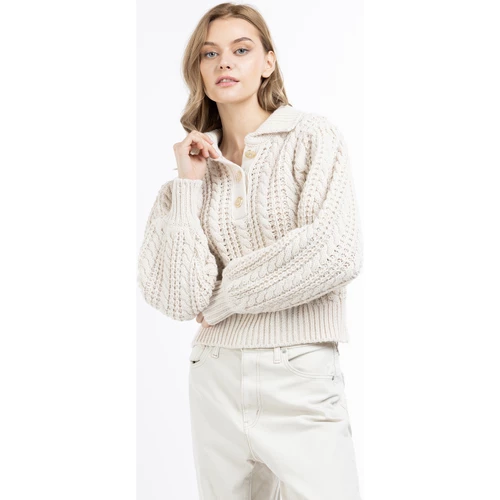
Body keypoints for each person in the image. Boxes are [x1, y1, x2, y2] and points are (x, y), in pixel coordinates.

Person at [137, 2, 364, 499]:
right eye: (210, 53)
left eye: (241, 50)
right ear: (198, 70)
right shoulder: (188, 178)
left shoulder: (311, 138)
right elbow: (179, 298)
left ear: (268, 62)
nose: (224, 61)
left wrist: (225, 299)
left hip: (300, 372)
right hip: (214, 376)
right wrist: (189, 186)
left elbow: (335, 252)